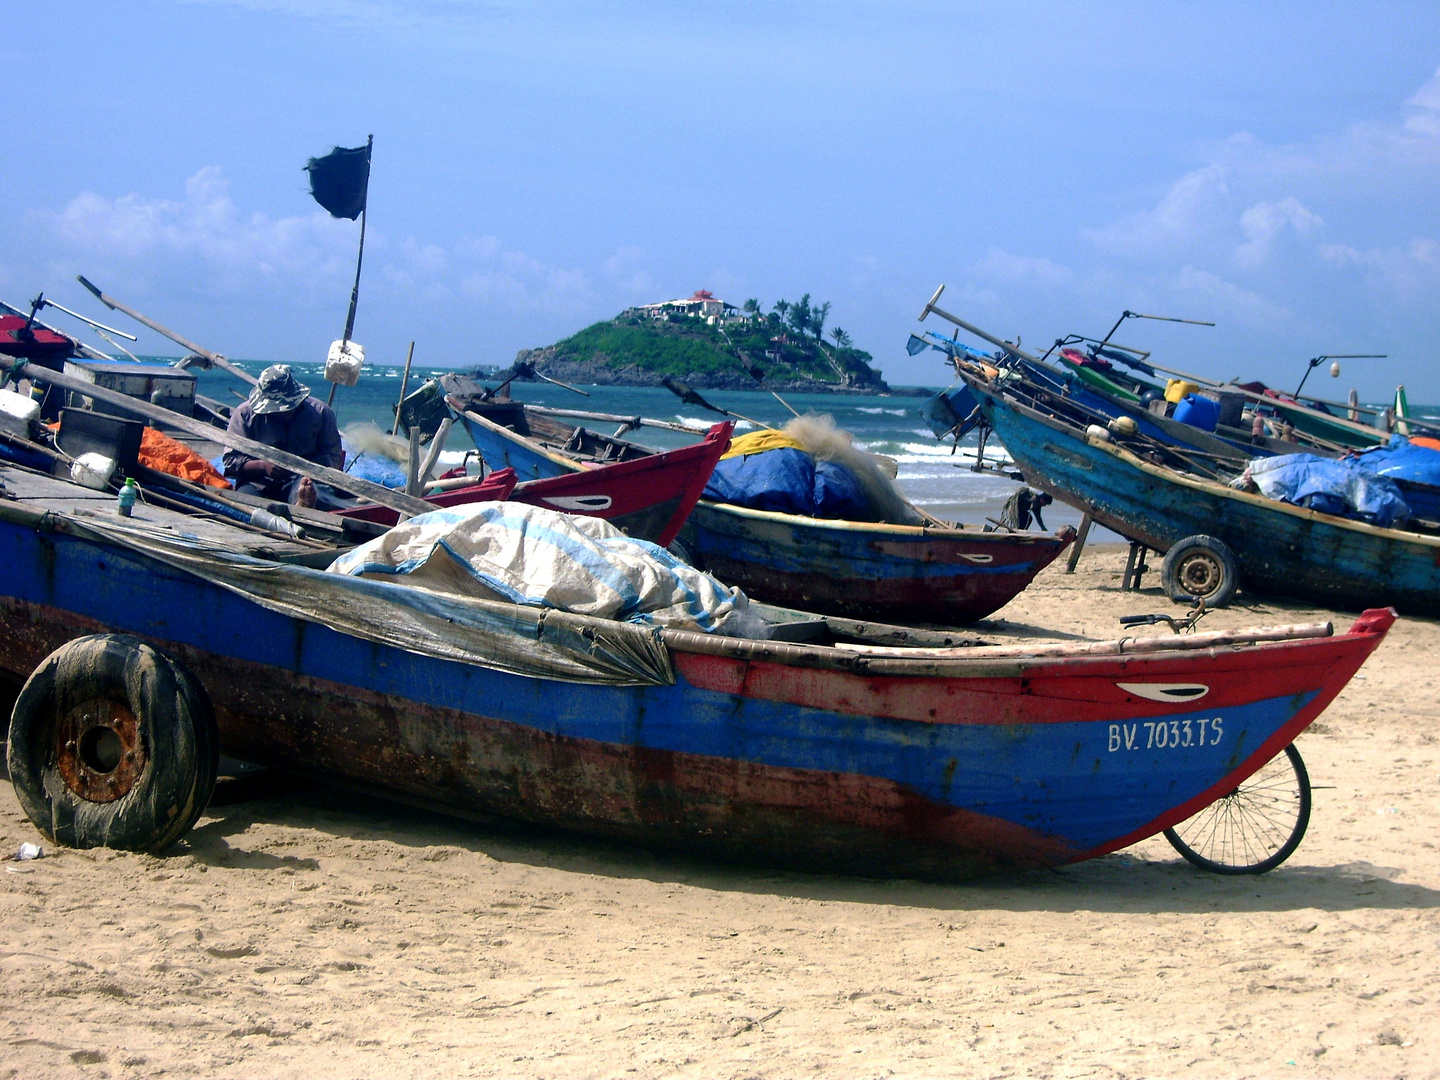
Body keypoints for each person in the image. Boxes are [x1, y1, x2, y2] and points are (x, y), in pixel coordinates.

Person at [223, 365, 346, 509]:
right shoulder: (244, 414)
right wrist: (262, 466)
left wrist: (302, 468)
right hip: (257, 482)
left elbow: (332, 455)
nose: (283, 413)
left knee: (313, 493)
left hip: (303, 479)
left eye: (288, 408)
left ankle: (301, 505)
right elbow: (231, 460)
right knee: (245, 503)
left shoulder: (321, 413)